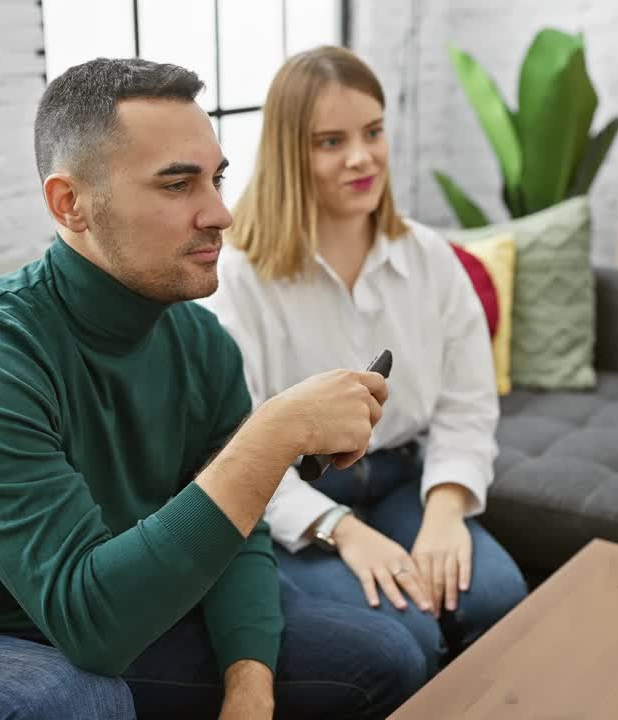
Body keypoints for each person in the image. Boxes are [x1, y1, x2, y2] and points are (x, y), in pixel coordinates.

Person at [0, 57, 426, 720]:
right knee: (69, 699)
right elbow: (93, 625)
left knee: (385, 656)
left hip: (126, 606)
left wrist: (249, 690)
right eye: (179, 186)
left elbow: (232, 543)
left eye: (216, 178)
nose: (220, 214)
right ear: (71, 204)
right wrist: (274, 432)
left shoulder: (201, 344)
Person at [203, 46, 529, 678]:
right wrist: (341, 531)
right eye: (331, 141)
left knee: (497, 600)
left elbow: (467, 406)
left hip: (406, 481)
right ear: (289, 153)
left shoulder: (431, 258)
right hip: (295, 497)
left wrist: (444, 514)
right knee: (405, 632)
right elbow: (235, 452)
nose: (362, 157)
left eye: (373, 132)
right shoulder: (237, 280)